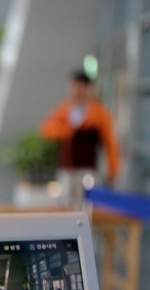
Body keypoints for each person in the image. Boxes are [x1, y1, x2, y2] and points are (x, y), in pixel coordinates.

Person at [40, 70, 120, 209]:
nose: (78, 90)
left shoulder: (99, 112)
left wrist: (112, 170)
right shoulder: (64, 109)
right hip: (67, 168)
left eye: (82, 86)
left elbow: (110, 143)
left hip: (86, 168)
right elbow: (46, 128)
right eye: (75, 86)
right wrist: (66, 131)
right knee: (65, 204)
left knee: (85, 204)